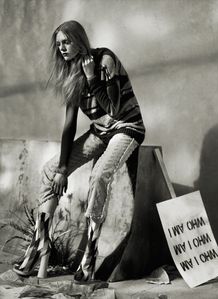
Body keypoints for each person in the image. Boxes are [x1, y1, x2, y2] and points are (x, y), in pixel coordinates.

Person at [13, 20, 145, 283]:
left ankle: (90, 256)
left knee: (98, 176)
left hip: (127, 127)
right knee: (50, 170)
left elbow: (114, 109)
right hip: (101, 132)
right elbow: (70, 124)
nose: (62, 48)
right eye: (58, 43)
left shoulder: (105, 59)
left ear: (79, 40)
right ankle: (40, 245)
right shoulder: (71, 73)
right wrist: (62, 169)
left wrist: (92, 78)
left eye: (67, 41)